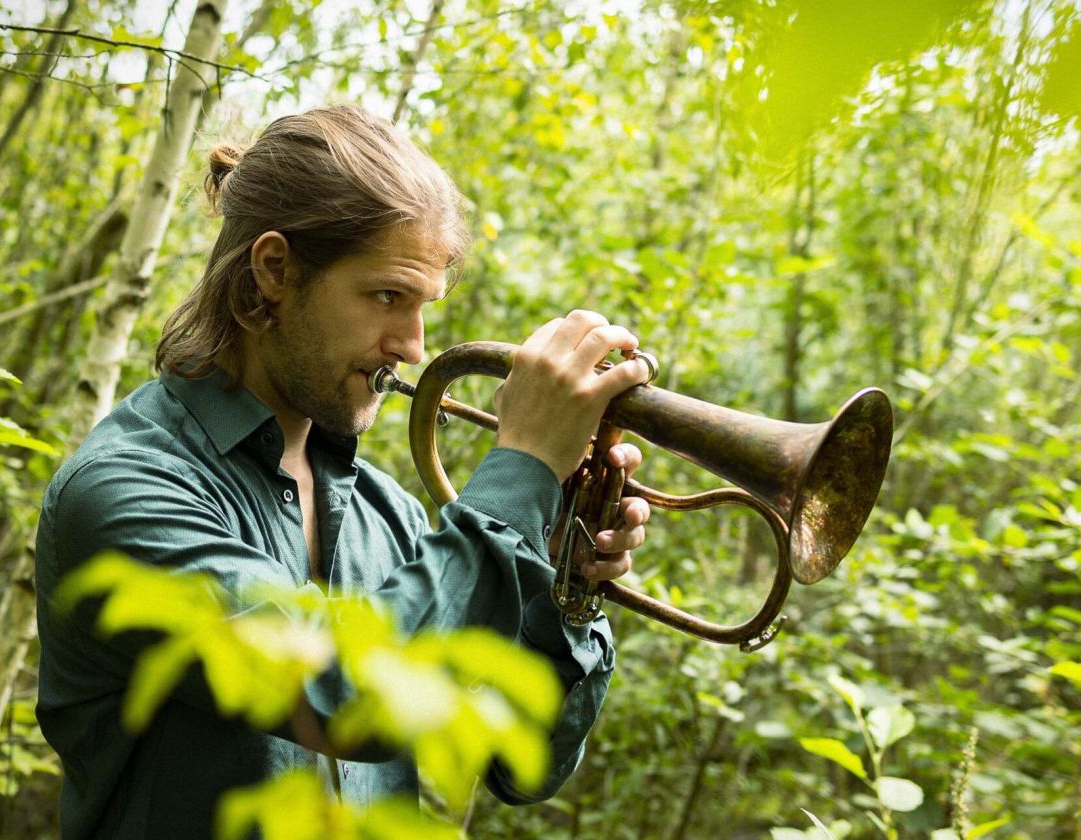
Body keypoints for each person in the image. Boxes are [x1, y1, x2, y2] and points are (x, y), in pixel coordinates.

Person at [33, 104, 652, 838]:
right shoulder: (125, 489)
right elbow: (350, 695)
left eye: (424, 307)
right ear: (274, 272)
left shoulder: (387, 515)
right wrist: (521, 469)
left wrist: (565, 588)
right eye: (387, 296)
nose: (414, 346)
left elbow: (524, 767)